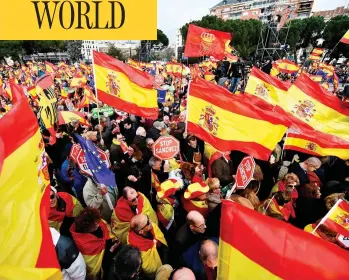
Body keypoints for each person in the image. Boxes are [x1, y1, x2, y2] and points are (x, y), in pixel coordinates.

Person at [70, 207, 118, 280]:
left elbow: (106, 230)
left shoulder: (96, 221)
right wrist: (110, 251)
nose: (98, 225)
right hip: (105, 262)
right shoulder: (84, 245)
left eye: (97, 222)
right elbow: (94, 264)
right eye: (94, 226)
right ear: (86, 230)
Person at [127, 214, 168, 278]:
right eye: (148, 223)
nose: (151, 221)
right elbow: (149, 268)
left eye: (148, 218)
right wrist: (154, 245)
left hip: (162, 252)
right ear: (141, 231)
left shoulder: (151, 227)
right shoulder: (137, 250)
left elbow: (160, 236)